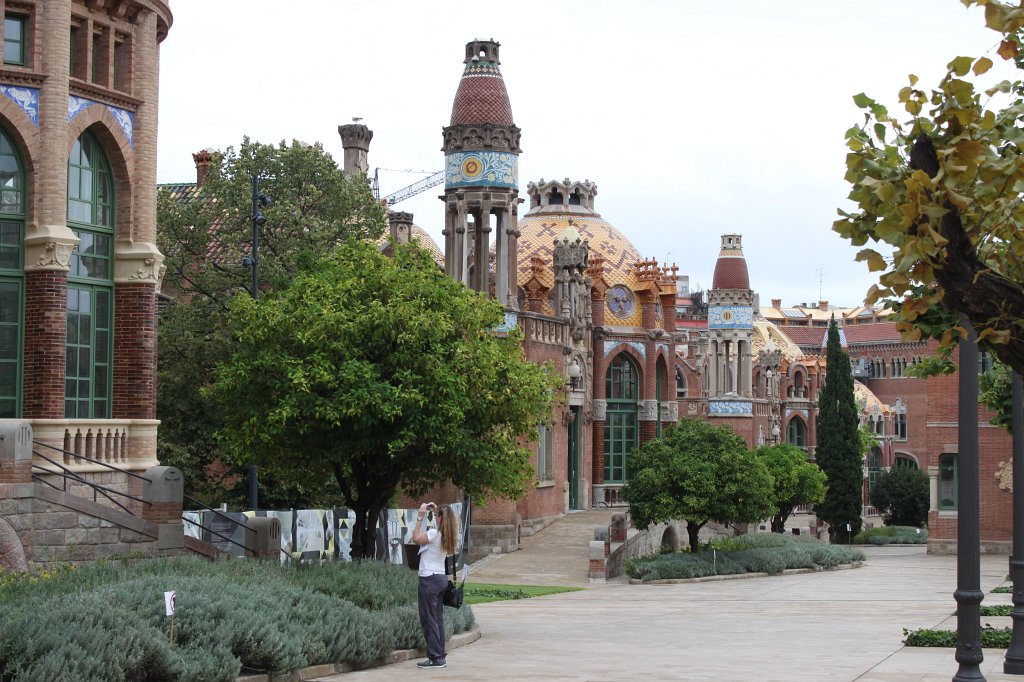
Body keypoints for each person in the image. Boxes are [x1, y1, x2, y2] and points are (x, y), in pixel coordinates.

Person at [413, 501, 459, 669]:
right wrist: (436, 510)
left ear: (440, 519)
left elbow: (416, 538)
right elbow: (440, 524)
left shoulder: (434, 533)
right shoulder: (448, 536)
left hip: (429, 580)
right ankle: (440, 654)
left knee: (428, 619)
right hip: (440, 579)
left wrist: (420, 516)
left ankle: (435, 658)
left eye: (438, 516)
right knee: (437, 619)